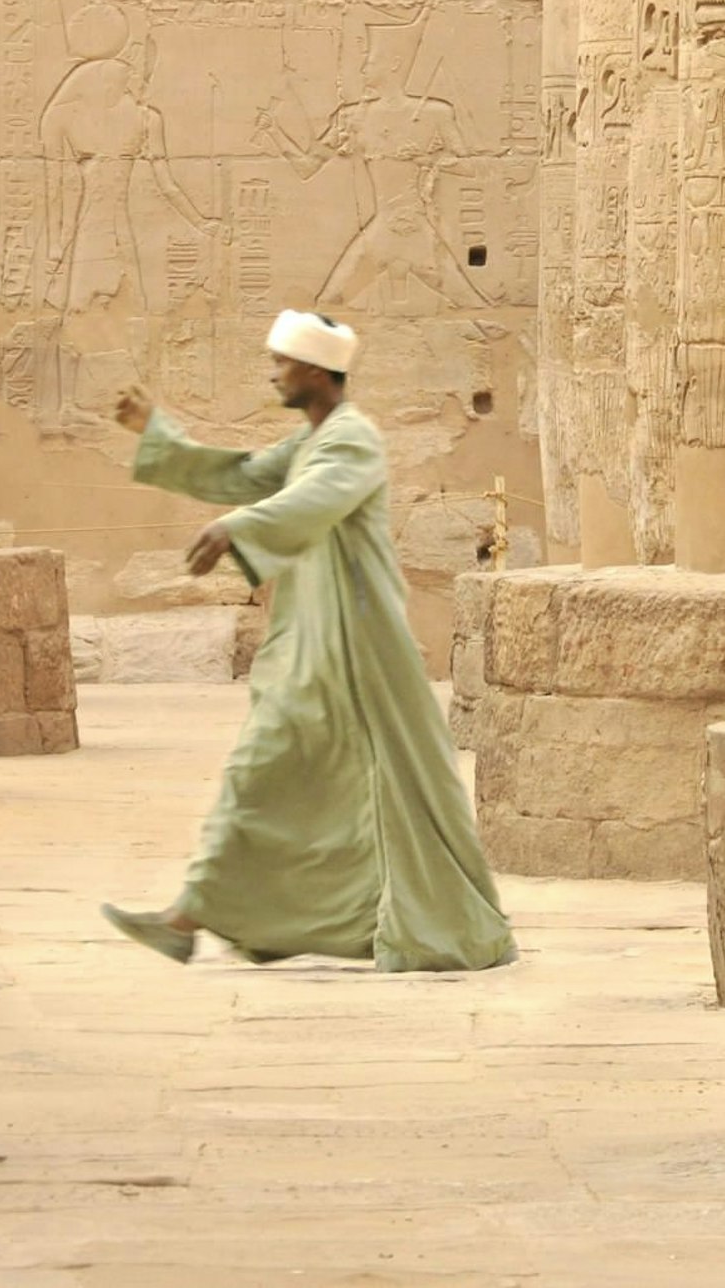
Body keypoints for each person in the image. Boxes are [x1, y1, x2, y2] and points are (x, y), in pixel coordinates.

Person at [99, 311, 516, 972]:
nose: (272, 374)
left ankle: (191, 916)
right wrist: (159, 434)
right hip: (314, 639)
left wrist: (238, 529)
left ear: (317, 371)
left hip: (358, 641)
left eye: (281, 363)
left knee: (278, 764)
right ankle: (204, 915)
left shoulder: (353, 442)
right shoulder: (310, 442)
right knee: (280, 770)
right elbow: (242, 476)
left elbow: (317, 500)